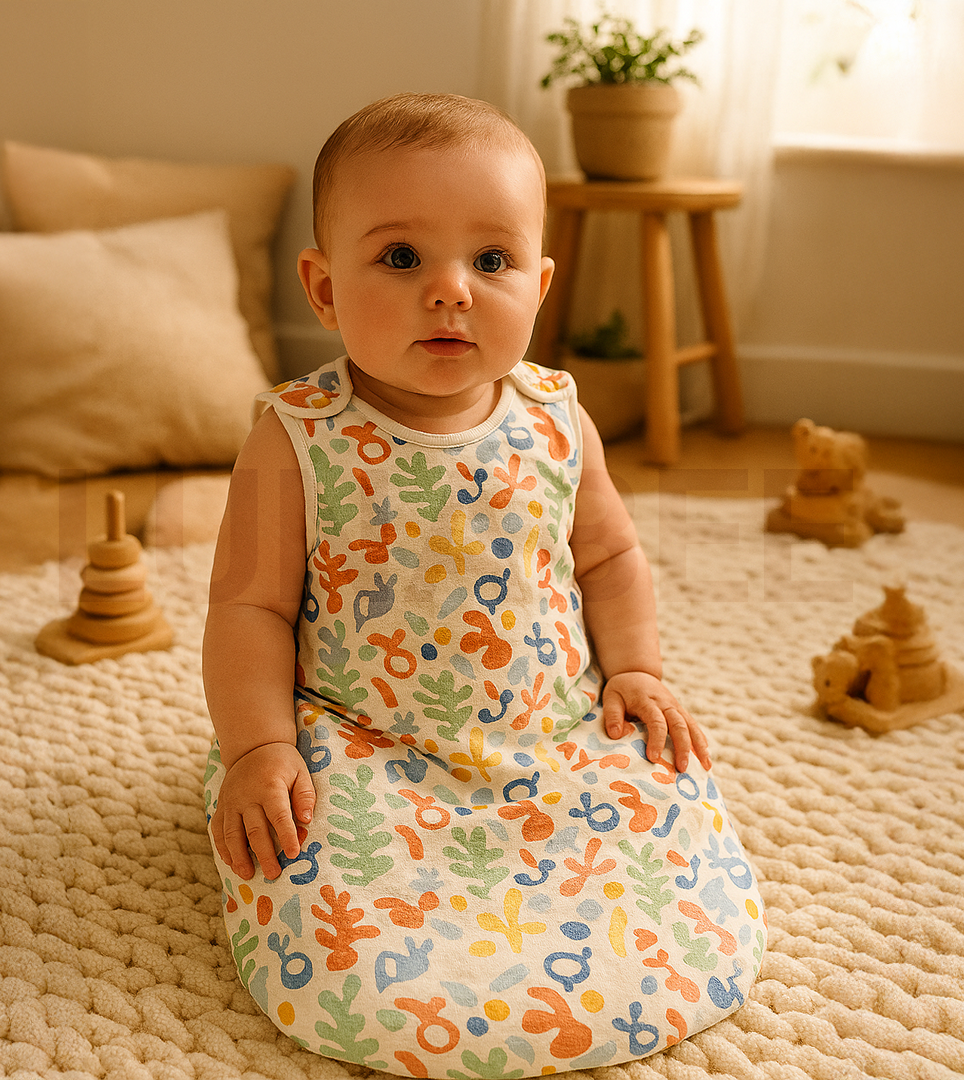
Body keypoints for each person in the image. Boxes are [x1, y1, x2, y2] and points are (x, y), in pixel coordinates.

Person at [203, 92, 763, 1078]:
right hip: (370, 745)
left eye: (492, 260)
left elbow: (609, 558)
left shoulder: (556, 420)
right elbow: (249, 607)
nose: (451, 290)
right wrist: (259, 747)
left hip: (551, 731)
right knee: (334, 911)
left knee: (661, 821)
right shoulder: (296, 439)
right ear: (324, 288)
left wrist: (636, 670)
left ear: (539, 284)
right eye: (401, 256)